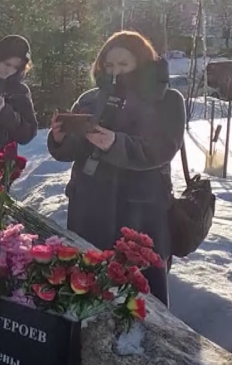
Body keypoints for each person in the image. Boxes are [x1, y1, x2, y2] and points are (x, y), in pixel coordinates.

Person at [48, 31, 184, 305]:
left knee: (140, 292)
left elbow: (162, 148)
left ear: (142, 62)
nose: (115, 72)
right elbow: (74, 150)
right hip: (89, 207)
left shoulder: (167, 100)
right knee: (87, 281)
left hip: (139, 211)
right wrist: (60, 138)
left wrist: (116, 143)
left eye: (123, 65)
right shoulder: (90, 98)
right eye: (109, 66)